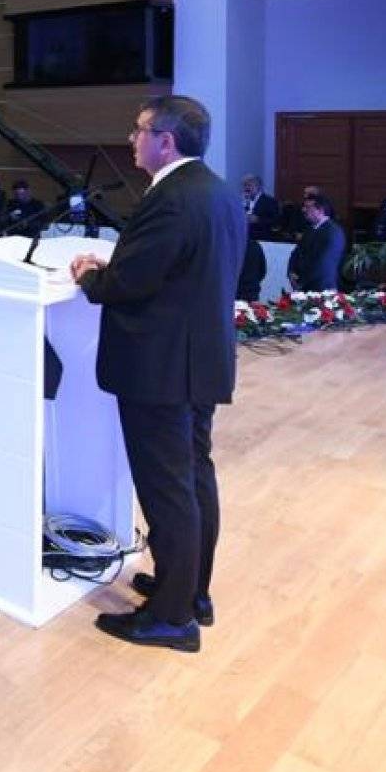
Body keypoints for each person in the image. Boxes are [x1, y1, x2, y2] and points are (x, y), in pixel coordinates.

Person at [69, 96, 243, 652]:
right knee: (193, 478)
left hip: (161, 369)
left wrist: (91, 274)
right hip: (199, 360)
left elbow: (130, 284)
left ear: (166, 141)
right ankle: (190, 591)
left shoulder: (169, 198)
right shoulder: (218, 191)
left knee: (169, 490)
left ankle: (171, 618)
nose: (131, 140)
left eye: (139, 130)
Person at [286, 192, 345, 293]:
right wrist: (291, 272)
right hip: (306, 286)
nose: (303, 210)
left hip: (321, 288)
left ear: (320, 210)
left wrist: (302, 282)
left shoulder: (333, 232)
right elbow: (296, 253)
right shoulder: (310, 229)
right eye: (304, 206)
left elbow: (323, 262)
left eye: (308, 207)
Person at [240, 176, 281, 240]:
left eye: (250, 185)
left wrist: (258, 220)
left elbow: (276, 221)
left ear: (258, 186)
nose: (247, 188)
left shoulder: (269, 201)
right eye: (245, 185)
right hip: (243, 238)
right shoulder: (241, 201)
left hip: (261, 238)